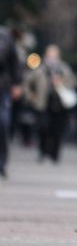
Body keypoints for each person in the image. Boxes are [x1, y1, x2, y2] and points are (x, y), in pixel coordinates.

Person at [24, 44, 77, 163]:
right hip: (43, 104)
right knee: (44, 128)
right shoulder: (40, 70)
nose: (52, 58)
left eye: (54, 56)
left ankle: (55, 153)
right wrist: (31, 97)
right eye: (50, 55)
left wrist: (61, 81)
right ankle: (42, 151)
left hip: (60, 104)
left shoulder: (64, 69)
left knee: (57, 130)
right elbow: (27, 84)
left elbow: (73, 82)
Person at [0, 26, 23, 178]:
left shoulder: (5, 37)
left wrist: (17, 84)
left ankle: (1, 162)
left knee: (2, 123)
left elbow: (15, 63)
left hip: (2, 88)